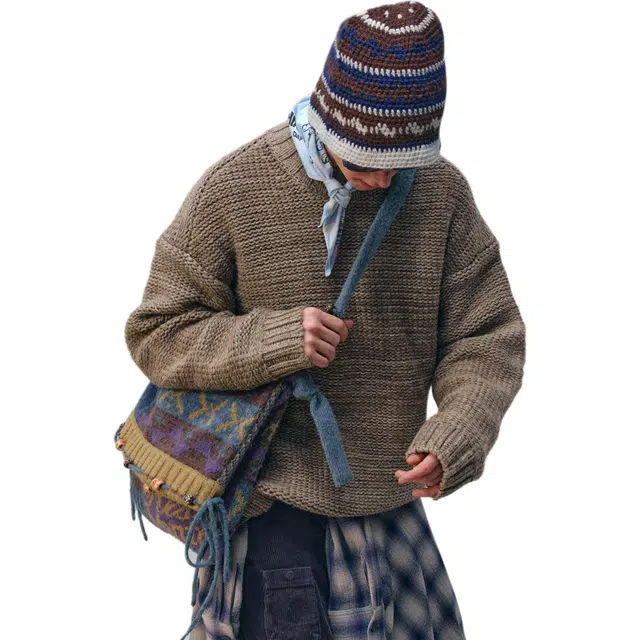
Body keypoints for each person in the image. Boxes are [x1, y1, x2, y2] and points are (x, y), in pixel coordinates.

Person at [124, 2, 526, 638]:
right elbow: (158, 332)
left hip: (389, 507)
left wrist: (456, 433)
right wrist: (277, 338)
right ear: (326, 115)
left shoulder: (442, 195)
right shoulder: (235, 188)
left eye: (402, 160)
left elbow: (486, 336)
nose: (383, 178)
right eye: (364, 158)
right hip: (269, 513)